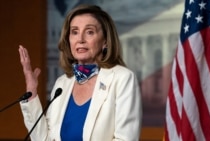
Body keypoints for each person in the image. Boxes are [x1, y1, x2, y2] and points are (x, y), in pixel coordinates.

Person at [18, 4, 142, 141]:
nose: (80, 39)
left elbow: (125, 138)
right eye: (74, 32)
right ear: (68, 39)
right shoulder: (62, 84)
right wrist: (31, 93)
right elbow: (44, 139)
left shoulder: (122, 78)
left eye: (89, 32)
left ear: (105, 41)